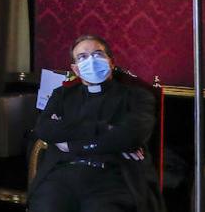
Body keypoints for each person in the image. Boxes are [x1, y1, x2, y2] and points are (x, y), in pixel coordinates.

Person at [29, 35, 162, 212]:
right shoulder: (61, 95)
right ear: (75, 69)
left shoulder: (137, 96)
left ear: (111, 62)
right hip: (61, 178)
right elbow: (44, 129)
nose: (91, 61)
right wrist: (103, 129)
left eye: (98, 54)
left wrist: (71, 144)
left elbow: (131, 136)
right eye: (82, 57)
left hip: (112, 178)